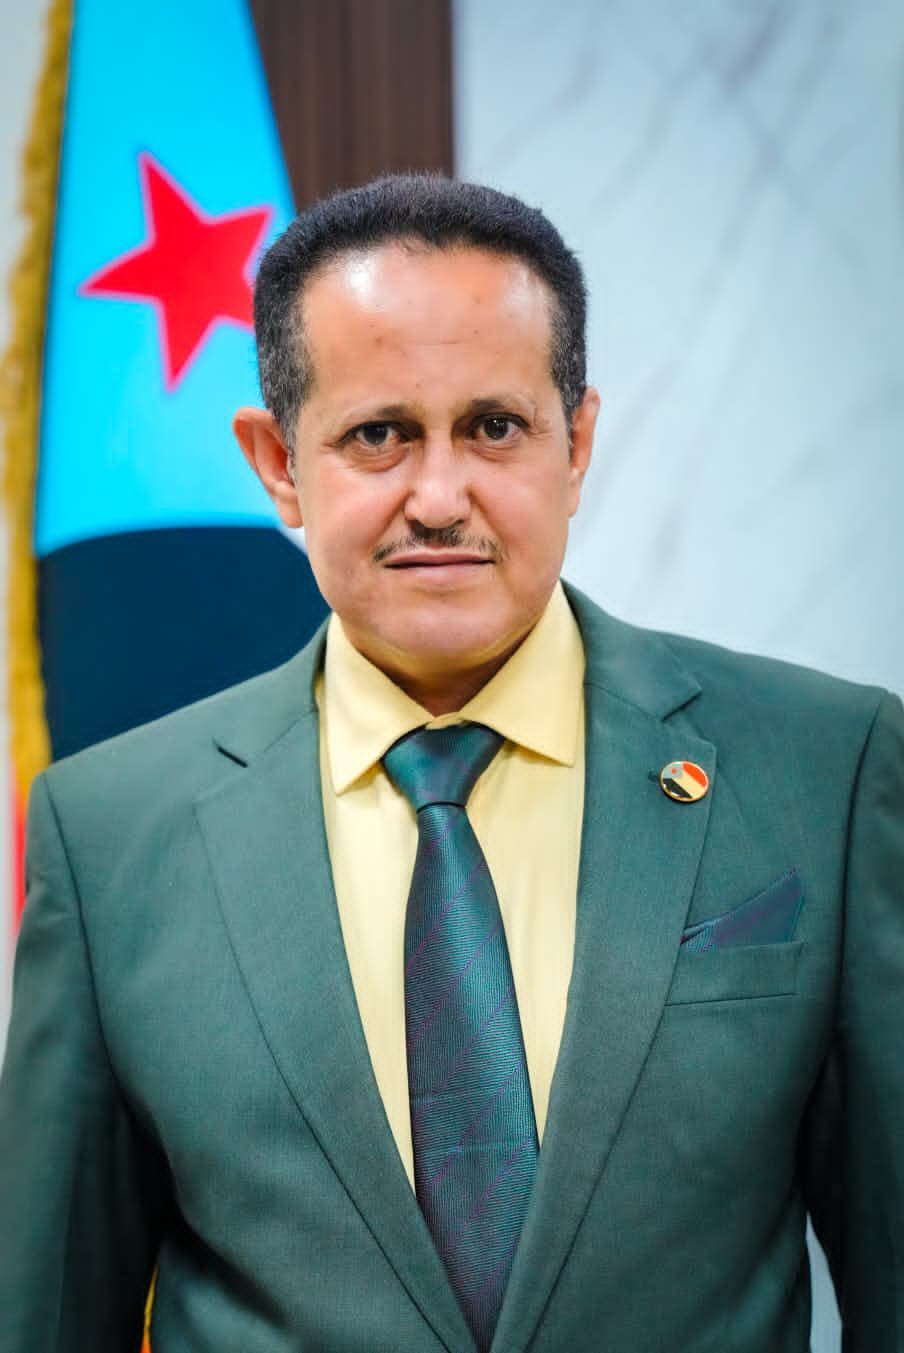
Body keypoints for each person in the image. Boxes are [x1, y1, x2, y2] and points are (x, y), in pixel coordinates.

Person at [0, 174, 902, 1353]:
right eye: (378, 435)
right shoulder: (110, 835)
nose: (437, 497)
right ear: (277, 462)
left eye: (494, 428)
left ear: (576, 443)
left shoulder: (824, 772)